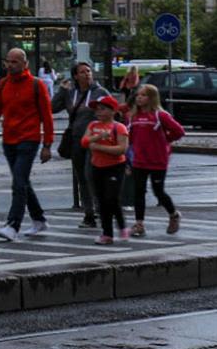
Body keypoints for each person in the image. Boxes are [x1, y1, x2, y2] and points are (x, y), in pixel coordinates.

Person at [0, 46, 54, 241]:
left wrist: (47, 145)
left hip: (29, 140)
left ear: (25, 64)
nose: (10, 65)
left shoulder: (36, 85)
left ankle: (13, 225)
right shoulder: (3, 85)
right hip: (9, 140)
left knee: (18, 182)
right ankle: (39, 219)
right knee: (22, 182)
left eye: (15, 62)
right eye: (8, 61)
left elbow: (47, 117)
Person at [60, 61, 115, 229]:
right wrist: (61, 91)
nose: (87, 74)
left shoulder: (100, 92)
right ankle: (89, 213)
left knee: (91, 175)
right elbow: (52, 107)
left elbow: (113, 112)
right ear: (76, 76)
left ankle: (101, 209)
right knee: (81, 178)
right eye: (82, 72)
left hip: (96, 141)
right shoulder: (71, 93)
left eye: (88, 71)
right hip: (77, 140)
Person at [127, 83, 186, 236]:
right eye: (138, 95)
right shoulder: (134, 116)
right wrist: (127, 159)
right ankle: (139, 224)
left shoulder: (160, 115)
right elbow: (130, 139)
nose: (139, 98)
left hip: (157, 160)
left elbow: (179, 131)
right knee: (138, 191)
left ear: (152, 98)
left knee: (158, 191)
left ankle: (173, 214)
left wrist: (166, 140)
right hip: (139, 160)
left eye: (144, 95)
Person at [83, 95, 131, 244]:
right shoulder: (92, 125)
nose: (98, 112)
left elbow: (122, 149)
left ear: (112, 111)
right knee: (102, 200)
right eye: (97, 110)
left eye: (102, 109)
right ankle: (107, 233)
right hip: (97, 166)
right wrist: (98, 138)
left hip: (115, 167)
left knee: (112, 198)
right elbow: (85, 142)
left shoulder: (119, 127)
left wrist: (98, 147)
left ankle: (122, 226)